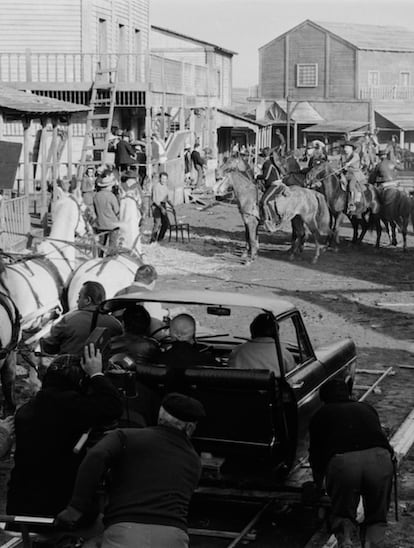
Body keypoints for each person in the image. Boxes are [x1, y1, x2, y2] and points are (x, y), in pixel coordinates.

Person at [56, 393, 206, 548]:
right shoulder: (194, 461)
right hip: (174, 537)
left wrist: (76, 507)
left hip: (127, 531)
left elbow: (96, 455)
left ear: (160, 416)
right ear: (189, 427)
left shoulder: (125, 436)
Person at [7, 346, 123, 525]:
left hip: (21, 504)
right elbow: (113, 406)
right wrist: (96, 375)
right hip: (60, 507)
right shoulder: (74, 407)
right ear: (79, 383)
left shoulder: (26, 410)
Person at [309, 378, 394, 548]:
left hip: (344, 464)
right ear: (349, 394)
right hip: (380, 460)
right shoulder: (366, 408)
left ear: (324, 398)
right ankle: (374, 543)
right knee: (376, 517)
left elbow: (316, 456)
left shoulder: (321, 414)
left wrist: (319, 486)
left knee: (343, 514)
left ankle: (346, 541)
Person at [40, 281, 122, 357]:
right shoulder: (115, 324)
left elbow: (49, 347)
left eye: (79, 297)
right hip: (101, 371)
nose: (77, 301)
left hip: (69, 370)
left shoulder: (68, 319)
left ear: (88, 300)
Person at [228, 313, 295, 374]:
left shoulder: (237, 352)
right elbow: (292, 380)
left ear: (252, 330)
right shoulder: (284, 354)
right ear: (276, 333)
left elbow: (231, 377)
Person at [93, 172, 120, 256]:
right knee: (112, 246)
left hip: (100, 224)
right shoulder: (111, 196)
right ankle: (110, 261)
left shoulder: (96, 196)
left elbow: (95, 210)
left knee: (101, 246)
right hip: (112, 225)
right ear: (108, 186)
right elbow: (117, 210)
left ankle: (99, 260)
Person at [256, 147, 283, 230]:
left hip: (275, 185)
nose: (260, 159)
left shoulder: (267, 164)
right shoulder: (269, 163)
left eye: (261, 157)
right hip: (272, 184)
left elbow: (266, 176)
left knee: (264, 201)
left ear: (264, 157)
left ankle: (271, 220)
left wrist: (257, 176)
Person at [341, 141, 366, 214]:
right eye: (345, 147)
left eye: (347, 147)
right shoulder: (343, 156)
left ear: (351, 148)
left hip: (354, 174)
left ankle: (352, 203)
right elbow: (340, 164)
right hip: (345, 174)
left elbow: (354, 159)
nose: (345, 149)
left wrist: (348, 163)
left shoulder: (355, 155)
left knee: (351, 186)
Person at [150, 171, 174, 243]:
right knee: (157, 223)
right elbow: (155, 200)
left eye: (165, 179)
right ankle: (153, 240)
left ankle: (160, 238)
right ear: (160, 178)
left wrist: (172, 204)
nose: (164, 180)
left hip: (163, 205)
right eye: (162, 178)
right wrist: (161, 208)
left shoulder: (166, 187)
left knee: (165, 223)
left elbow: (167, 198)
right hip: (156, 206)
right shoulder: (156, 186)